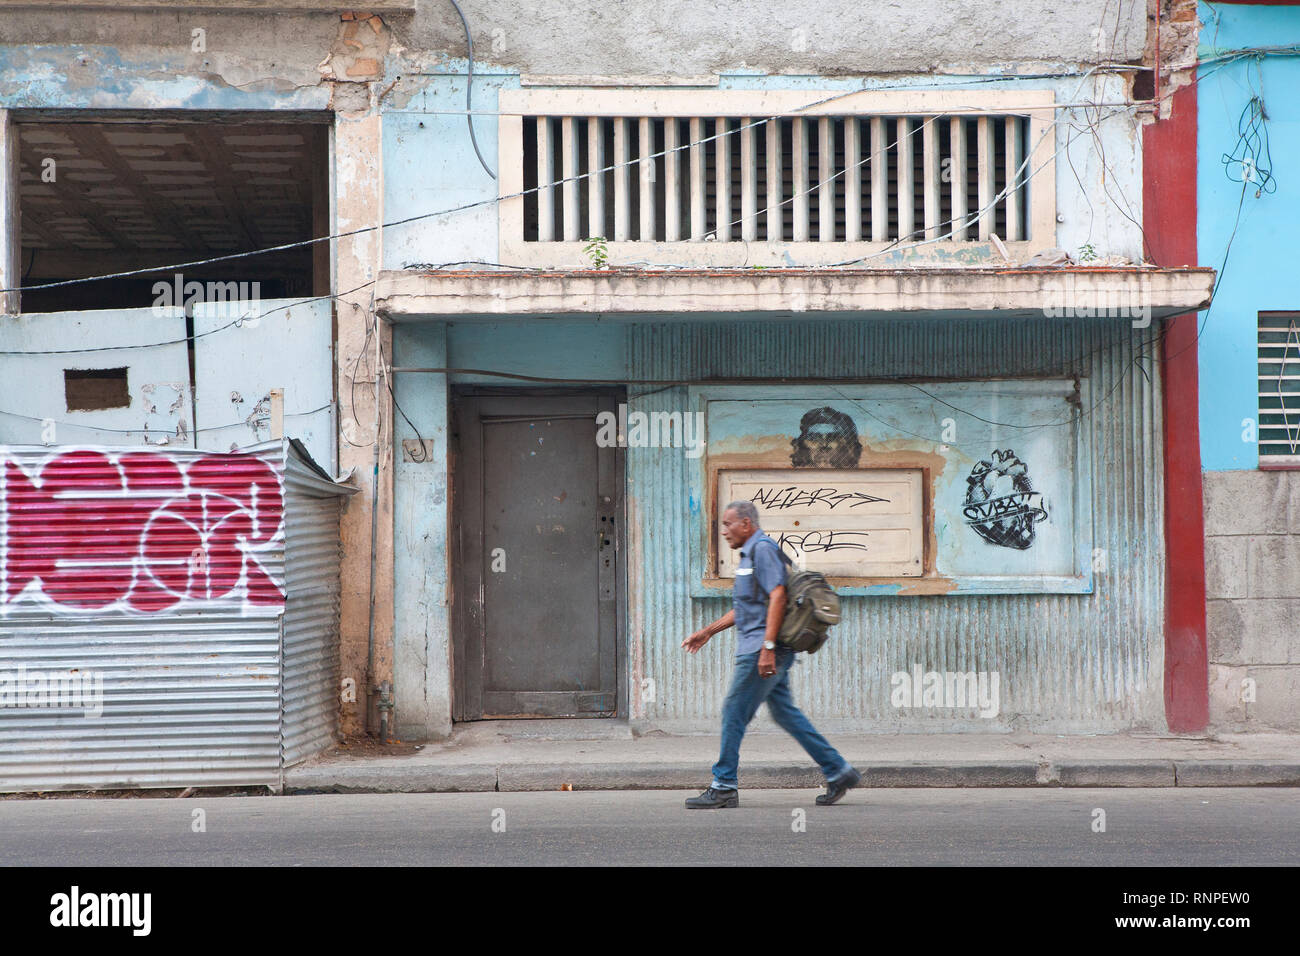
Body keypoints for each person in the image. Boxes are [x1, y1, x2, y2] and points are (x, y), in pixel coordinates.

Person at [681, 499, 861, 808]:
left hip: (762, 651)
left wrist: (766, 649)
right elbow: (748, 606)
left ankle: (723, 785)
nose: (724, 531)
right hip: (766, 649)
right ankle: (838, 770)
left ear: (746, 524)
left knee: (734, 712)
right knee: (784, 713)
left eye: (728, 524)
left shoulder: (762, 550)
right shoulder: (751, 553)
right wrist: (708, 631)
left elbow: (777, 597)